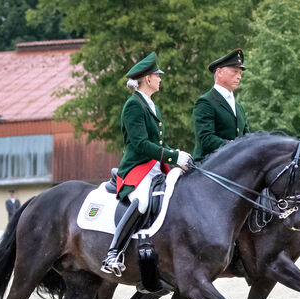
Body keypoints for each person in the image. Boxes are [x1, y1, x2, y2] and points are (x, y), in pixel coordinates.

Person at [101, 51, 192, 275]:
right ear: (148, 79)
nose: (160, 79)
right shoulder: (133, 105)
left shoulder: (151, 105)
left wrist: (177, 158)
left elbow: (157, 142)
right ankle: (113, 252)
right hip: (137, 169)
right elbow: (141, 144)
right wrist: (173, 156)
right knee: (141, 201)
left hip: (155, 168)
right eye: (157, 75)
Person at [192, 48, 250, 162]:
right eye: (235, 71)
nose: (239, 77)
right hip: (209, 167)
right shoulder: (205, 102)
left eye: (240, 73)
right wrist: (235, 147)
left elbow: (246, 137)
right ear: (219, 72)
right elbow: (206, 139)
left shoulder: (238, 107)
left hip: (235, 165)